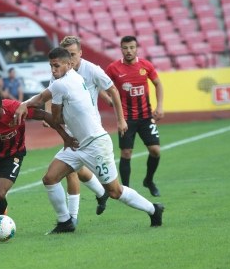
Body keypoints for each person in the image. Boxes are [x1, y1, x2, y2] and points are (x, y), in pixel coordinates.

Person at [16, 47, 163, 234]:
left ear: (69, 65)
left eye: (56, 66)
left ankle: (154, 209)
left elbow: (54, 115)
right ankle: (65, 222)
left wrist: (32, 110)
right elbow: (41, 97)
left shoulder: (63, 84)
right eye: (51, 66)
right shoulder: (69, 78)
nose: (53, 70)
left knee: (115, 191)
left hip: (95, 144)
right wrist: (25, 104)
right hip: (77, 144)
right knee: (50, 178)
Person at [36, 35, 127, 222]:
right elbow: (50, 93)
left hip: (87, 126)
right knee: (74, 169)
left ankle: (73, 217)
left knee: (71, 169)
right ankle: (98, 195)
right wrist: (48, 114)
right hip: (69, 124)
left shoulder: (91, 69)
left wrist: (120, 119)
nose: (71, 59)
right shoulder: (59, 72)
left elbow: (110, 89)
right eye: (67, 55)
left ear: (80, 53)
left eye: (73, 54)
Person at [0, 91, 73, 224]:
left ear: (1, 108)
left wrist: (66, 137)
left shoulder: (15, 109)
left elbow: (44, 115)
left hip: (13, 155)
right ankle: (0, 203)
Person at [105, 35, 165, 197]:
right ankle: (125, 189)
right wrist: (109, 99)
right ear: (121, 49)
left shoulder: (146, 65)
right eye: (125, 48)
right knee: (126, 153)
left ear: (136, 48)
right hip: (126, 119)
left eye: (132, 47)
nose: (129, 51)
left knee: (155, 150)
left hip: (146, 116)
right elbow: (100, 85)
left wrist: (160, 106)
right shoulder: (113, 68)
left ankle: (149, 180)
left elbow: (158, 84)